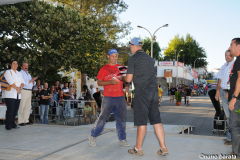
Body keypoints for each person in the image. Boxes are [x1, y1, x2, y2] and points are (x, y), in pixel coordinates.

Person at [120, 38, 168, 156]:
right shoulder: (150, 58)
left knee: (141, 122)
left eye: (131, 46)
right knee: (156, 120)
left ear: (133, 46)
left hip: (142, 93)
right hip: (154, 92)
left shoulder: (133, 58)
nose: (130, 48)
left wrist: (122, 78)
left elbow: (129, 79)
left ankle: (138, 149)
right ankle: (163, 148)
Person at [89, 49, 130, 147]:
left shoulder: (122, 67)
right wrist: (110, 82)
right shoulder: (103, 69)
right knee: (103, 118)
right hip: (108, 98)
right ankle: (93, 136)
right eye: (112, 56)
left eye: (116, 56)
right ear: (108, 56)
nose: (114, 58)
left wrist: (126, 87)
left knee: (121, 119)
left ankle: (122, 139)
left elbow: (127, 81)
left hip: (120, 97)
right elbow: (99, 83)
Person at [215, 49, 234, 145]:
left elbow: (233, 79)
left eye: (229, 55)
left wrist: (230, 91)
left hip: (230, 93)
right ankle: (229, 137)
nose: (227, 57)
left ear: (233, 55)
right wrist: (217, 91)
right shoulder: (223, 66)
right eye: (226, 55)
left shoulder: (234, 64)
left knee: (232, 116)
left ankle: (231, 139)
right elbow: (220, 80)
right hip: (223, 92)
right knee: (228, 116)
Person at [2, 59, 25, 130]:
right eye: (14, 63)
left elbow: (23, 82)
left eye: (16, 63)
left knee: (15, 110)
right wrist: (18, 89)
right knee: (10, 110)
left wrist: (20, 88)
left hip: (18, 94)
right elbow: (11, 82)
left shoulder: (19, 73)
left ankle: (13, 123)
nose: (15, 65)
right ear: (10, 64)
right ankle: (8, 125)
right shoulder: (8, 72)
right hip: (10, 94)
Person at [227, 38, 240, 157]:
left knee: (234, 126)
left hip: (238, 99)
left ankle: (236, 154)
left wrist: (234, 97)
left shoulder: (239, 60)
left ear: (238, 46)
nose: (230, 48)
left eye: (231, 45)